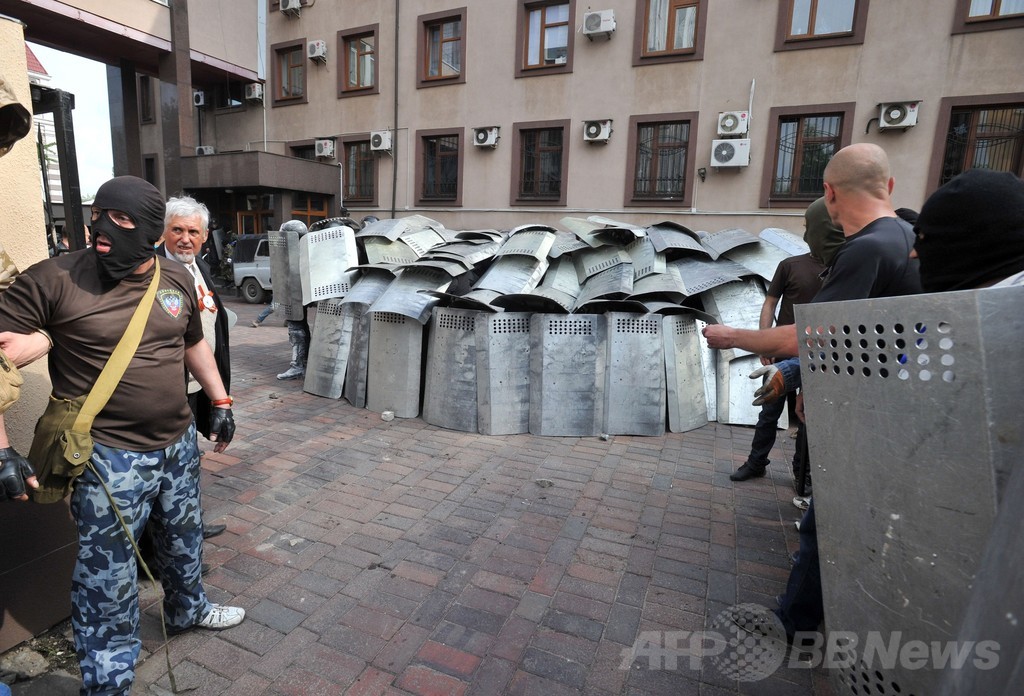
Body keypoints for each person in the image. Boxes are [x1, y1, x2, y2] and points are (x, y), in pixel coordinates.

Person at [0, 176, 245, 695]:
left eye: (124, 220)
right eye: (98, 215)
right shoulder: (55, 279)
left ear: (153, 232)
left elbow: (191, 342)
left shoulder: (175, 276)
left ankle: (188, 609)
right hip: (108, 459)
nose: (103, 229)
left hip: (177, 444)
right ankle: (109, 679)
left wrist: (219, 401)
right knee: (108, 579)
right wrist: (1, 448)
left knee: (184, 539)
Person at [704, 143, 922, 643]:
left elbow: (811, 334)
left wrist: (730, 337)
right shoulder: (908, 237)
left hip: (870, 412)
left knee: (825, 525)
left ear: (828, 194)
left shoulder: (866, 248)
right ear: (888, 186)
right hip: (888, 402)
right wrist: (810, 378)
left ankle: (794, 623)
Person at [730, 197, 843, 483]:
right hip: (782, 352)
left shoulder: (841, 268)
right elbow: (770, 303)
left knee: (808, 418)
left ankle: (802, 473)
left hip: (818, 354)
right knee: (769, 412)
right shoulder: (790, 264)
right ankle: (756, 463)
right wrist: (766, 341)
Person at [158, 196, 229, 540]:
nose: (185, 238)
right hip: (168, 388)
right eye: (178, 230)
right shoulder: (151, 269)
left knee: (189, 461)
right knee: (171, 468)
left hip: (198, 383)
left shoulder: (198, 265)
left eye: (193, 232)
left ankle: (190, 525)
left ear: (203, 236)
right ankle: (171, 546)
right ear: (163, 232)